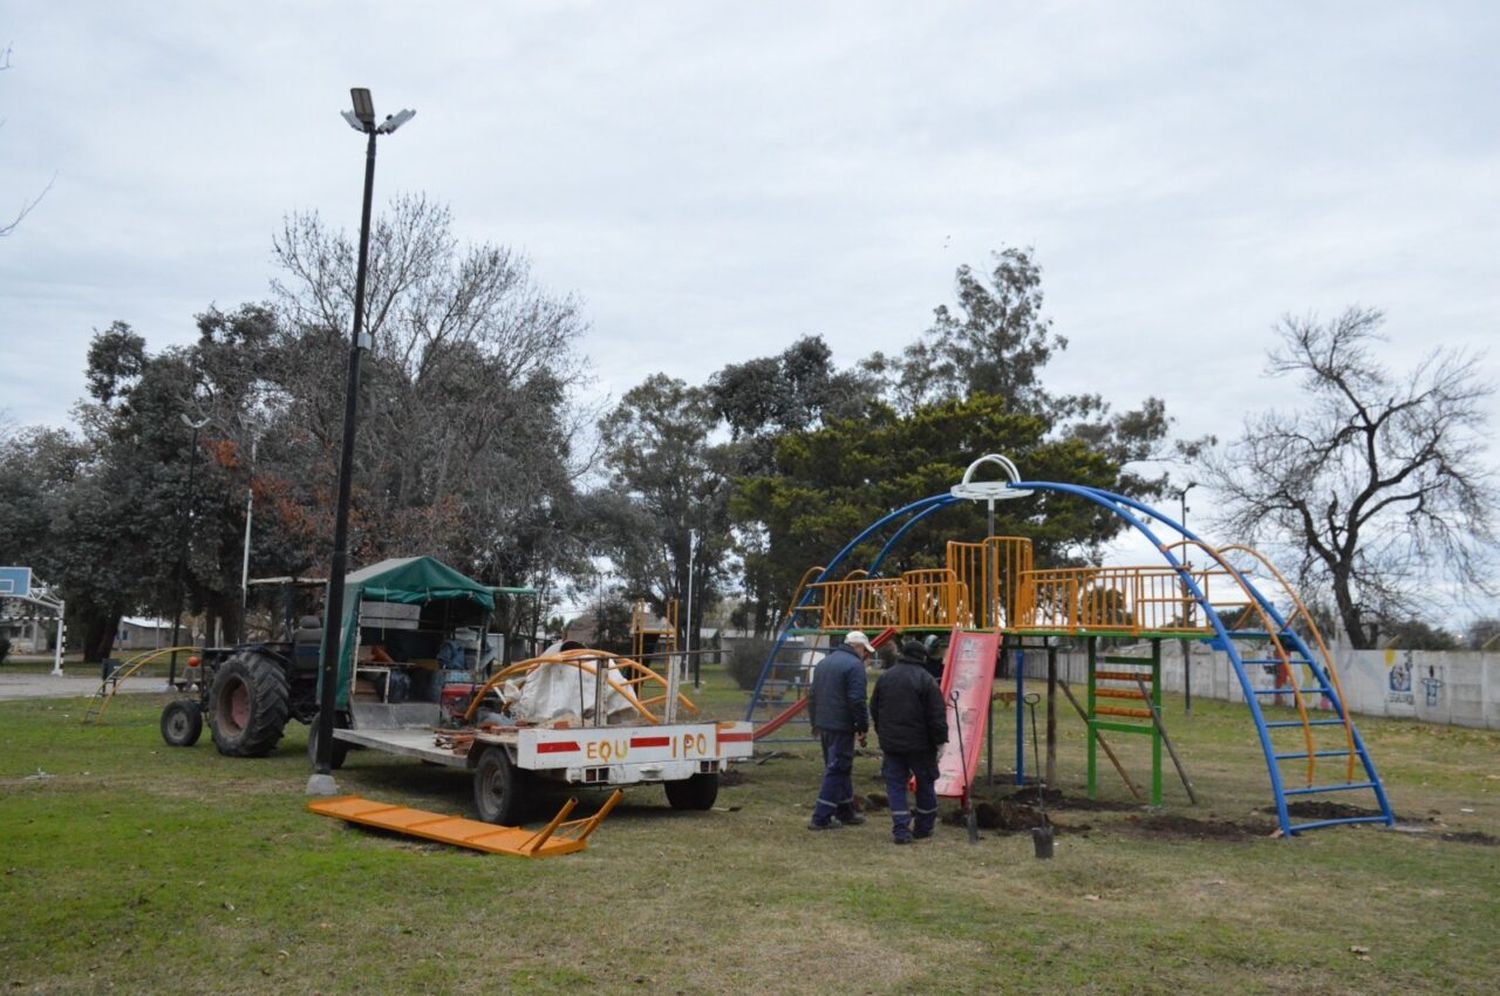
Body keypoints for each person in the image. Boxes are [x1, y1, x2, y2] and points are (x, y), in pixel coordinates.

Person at [870, 638, 949, 844]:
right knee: (925, 783)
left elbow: (875, 708)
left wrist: (883, 732)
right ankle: (924, 826)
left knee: (895, 785)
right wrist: (940, 742)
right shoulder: (927, 680)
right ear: (922, 657)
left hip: (892, 743)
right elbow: (936, 715)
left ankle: (901, 829)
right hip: (921, 745)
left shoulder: (886, 678)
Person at [806, 630, 874, 830]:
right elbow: (857, 700)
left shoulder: (824, 663)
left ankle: (845, 811)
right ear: (858, 647)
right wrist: (862, 727)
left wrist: (814, 723)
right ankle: (821, 817)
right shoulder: (855, 666)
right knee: (837, 769)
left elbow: (812, 696)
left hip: (824, 724)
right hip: (841, 726)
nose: (865, 655)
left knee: (839, 767)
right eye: (865, 651)